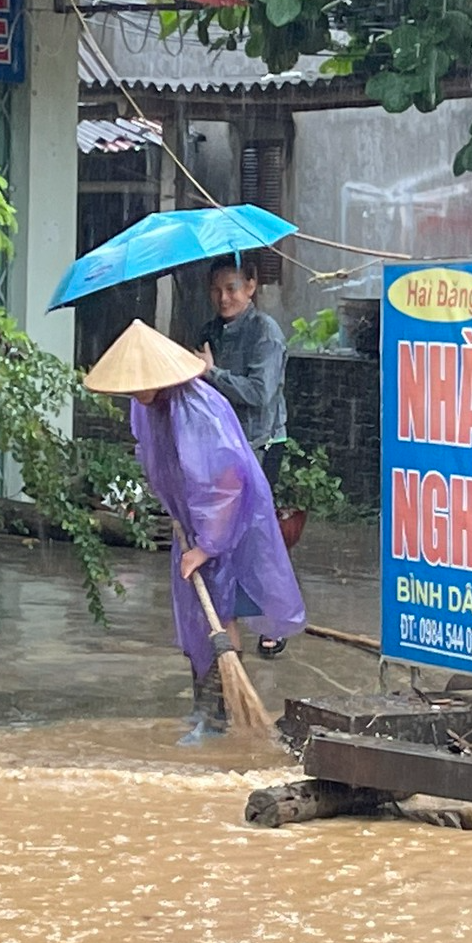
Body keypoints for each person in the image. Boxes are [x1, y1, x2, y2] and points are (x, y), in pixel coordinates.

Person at [83, 319, 305, 744]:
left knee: (221, 612)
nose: (134, 392)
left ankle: (219, 716)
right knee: (201, 615)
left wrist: (207, 545)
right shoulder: (152, 405)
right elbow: (161, 461)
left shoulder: (196, 408)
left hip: (229, 520)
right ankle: (207, 711)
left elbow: (224, 481)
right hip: (195, 521)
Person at [196, 255, 292, 658]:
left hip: (260, 444)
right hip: (221, 445)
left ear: (252, 287)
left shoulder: (265, 333)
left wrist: (211, 373)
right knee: (225, 536)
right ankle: (229, 614)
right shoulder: (209, 332)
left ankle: (274, 620)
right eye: (217, 290)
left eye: (232, 288)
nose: (224, 297)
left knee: (258, 536)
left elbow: (258, 393)